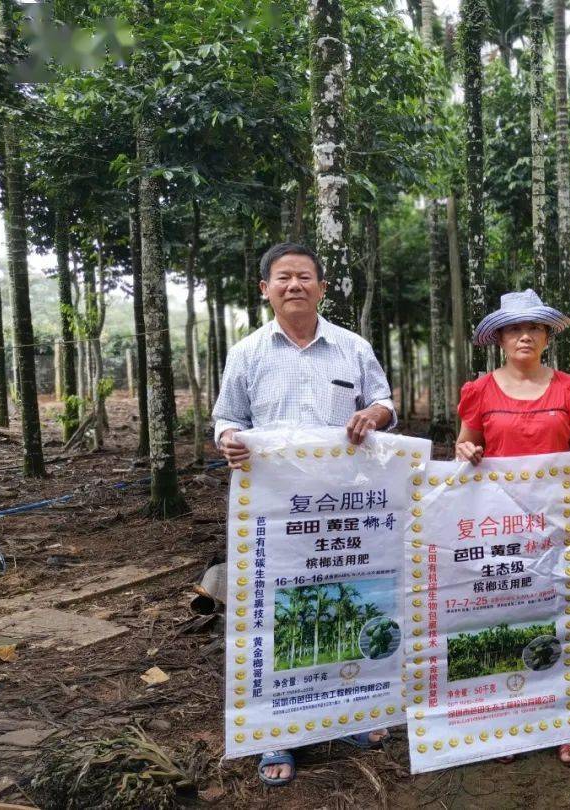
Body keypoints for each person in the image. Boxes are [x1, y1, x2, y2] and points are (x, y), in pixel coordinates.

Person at [212, 242, 397, 786]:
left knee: (349, 602)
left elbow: (387, 402)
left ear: (321, 286)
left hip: (343, 507)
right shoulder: (248, 352)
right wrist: (228, 439)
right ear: (265, 288)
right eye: (283, 277)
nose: (295, 285)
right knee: (278, 612)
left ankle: (356, 713)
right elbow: (227, 416)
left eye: (305, 277)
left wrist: (373, 414)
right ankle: (278, 735)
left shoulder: (352, 347)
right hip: (275, 512)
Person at [454, 289, 570, 768]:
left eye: (533, 328)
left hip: (555, 532)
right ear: (499, 338)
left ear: (545, 337)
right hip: (496, 531)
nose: (524, 336)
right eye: (514, 328)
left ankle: (561, 722)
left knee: (557, 619)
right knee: (500, 618)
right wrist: (466, 452)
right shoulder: (479, 392)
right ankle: (506, 725)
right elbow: (465, 446)